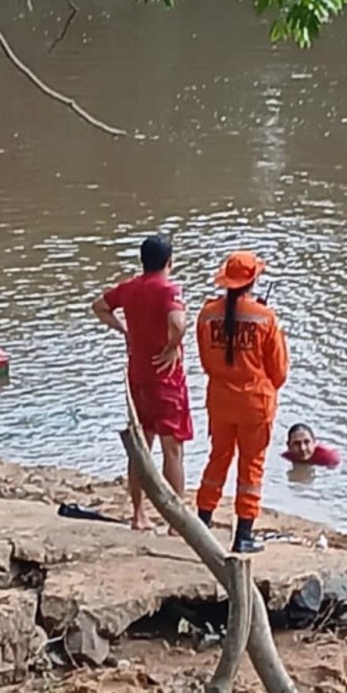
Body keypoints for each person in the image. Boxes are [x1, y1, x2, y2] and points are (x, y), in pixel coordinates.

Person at [92, 233, 193, 531]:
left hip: (137, 376)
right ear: (170, 262)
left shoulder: (130, 288)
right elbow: (178, 323)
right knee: (172, 450)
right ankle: (177, 522)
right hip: (166, 378)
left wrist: (124, 330)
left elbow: (98, 306)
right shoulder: (168, 289)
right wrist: (173, 345)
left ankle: (138, 514)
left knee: (141, 446)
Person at [195, 251, 289, 554]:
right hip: (255, 403)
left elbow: (207, 362)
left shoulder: (207, 314)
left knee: (217, 459)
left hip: (220, 400)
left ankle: (201, 524)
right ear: (253, 280)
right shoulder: (266, 317)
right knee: (252, 467)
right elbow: (279, 371)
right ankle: (243, 536)